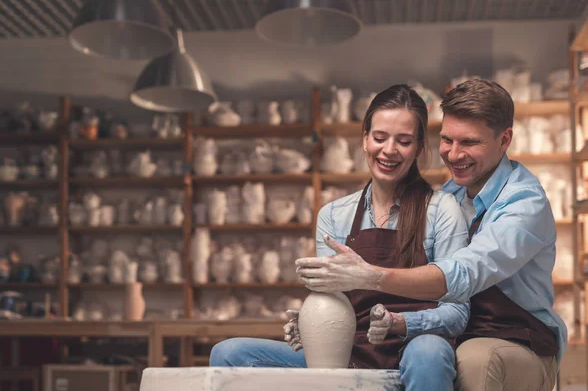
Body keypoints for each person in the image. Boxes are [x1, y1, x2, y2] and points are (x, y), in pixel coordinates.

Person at [296, 78, 567, 391]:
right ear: (365, 139)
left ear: (505, 139)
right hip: (460, 335)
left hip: (518, 338)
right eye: (448, 140)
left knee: (472, 360)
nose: (453, 155)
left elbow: (464, 274)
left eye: (469, 142)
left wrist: (372, 278)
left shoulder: (524, 203)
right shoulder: (452, 192)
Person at [210, 84, 470, 391]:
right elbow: (332, 301)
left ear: (418, 148)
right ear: (364, 139)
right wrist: (309, 321)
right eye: (379, 137)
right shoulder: (333, 215)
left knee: (429, 351)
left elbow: (457, 312)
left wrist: (400, 323)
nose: (389, 150)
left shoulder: (443, 210)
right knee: (228, 353)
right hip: (349, 351)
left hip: (413, 349)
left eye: (403, 141)